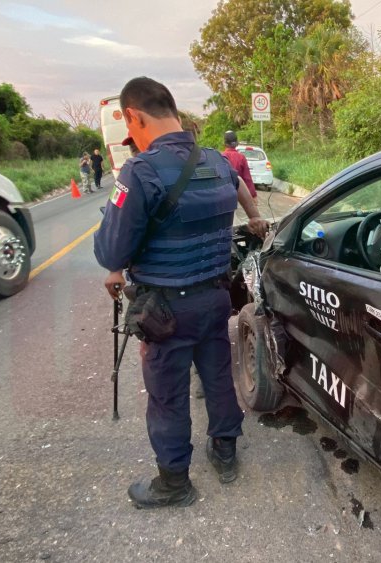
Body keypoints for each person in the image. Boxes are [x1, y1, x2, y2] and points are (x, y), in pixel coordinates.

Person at [93, 76, 269, 510]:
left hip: (164, 309)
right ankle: (225, 452)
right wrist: (254, 217)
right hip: (214, 298)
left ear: (133, 116)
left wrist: (114, 265)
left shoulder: (140, 171)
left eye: (127, 126)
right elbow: (242, 191)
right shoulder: (216, 161)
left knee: (167, 394)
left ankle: (174, 483)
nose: (129, 136)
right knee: (217, 376)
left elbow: (111, 249)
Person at [222, 131, 257, 203]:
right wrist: (253, 195)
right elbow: (247, 178)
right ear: (237, 143)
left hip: (223, 195)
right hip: (238, 195)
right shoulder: (241, 157)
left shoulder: (221, 156)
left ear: (225, 143)